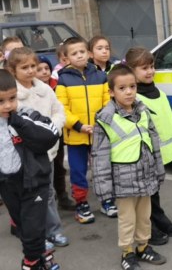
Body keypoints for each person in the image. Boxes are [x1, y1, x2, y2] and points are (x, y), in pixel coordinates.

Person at [92, 64, 166, 270]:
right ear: (111, 92)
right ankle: (127, 252)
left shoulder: (143, 111)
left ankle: (143, 246)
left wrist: (159, 170)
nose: (129, 92)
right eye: (122, 88)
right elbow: (100, 156)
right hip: (123, 180)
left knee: (144, 215)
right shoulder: (105, 119)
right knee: (127, 219)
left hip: (146, 175)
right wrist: (103, 188)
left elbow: (154, 143)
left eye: (132, 87)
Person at [7, 48, 70, 250]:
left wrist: (51, 129)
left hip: (46, 151)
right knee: (29, 197)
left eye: (33, 66)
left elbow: (59, 112)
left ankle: (54, 230)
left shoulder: (45, 89)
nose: (30, 70)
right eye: (24, 67)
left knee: (47, 192)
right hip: (23, 154)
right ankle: (36, 235)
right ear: (13, 70)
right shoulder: (12, 95)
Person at [0, 68, 60, 270]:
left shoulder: (24, 115)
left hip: (34, 182)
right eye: (1, 101)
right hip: (8, 184)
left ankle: (31, 263)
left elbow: (50, 135)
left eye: (12, 98)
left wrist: (18, 121)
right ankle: (42, 255)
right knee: (24, 227)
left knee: (33, 226)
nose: (8, 105)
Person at [125, 47, 172, 245]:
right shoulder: (132, 98)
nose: (150, 71)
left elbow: (166, 123)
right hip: (143, 155)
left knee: (154, 189)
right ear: (131, 70)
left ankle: (158, 218)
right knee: (145, 192)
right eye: (144, 68)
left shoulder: (155, 91)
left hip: (157, 154)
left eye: (151, 66)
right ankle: (147, 226)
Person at [55, 37, 112, 224]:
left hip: (98, 133)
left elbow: (107, 102)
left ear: (88, 54)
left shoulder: (100, 76)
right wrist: (78, 125)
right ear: (67, 57)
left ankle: (106, 199)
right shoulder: (63, 79)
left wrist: (100, 122)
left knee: (102, 169)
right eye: (74, 53)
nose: (79, 56)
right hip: (76, 135)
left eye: (82, 52)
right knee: (78, 171)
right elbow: (61, 108)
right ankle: (81, 204)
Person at [36, 55, 75, 211]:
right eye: (39, 69)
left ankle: (62, 196)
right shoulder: (32, 89)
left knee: (59, 165)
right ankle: (46, 197)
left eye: (46, 68)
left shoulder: (57, 85)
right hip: (39, 134)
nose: (44, 72)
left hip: (57, 132)